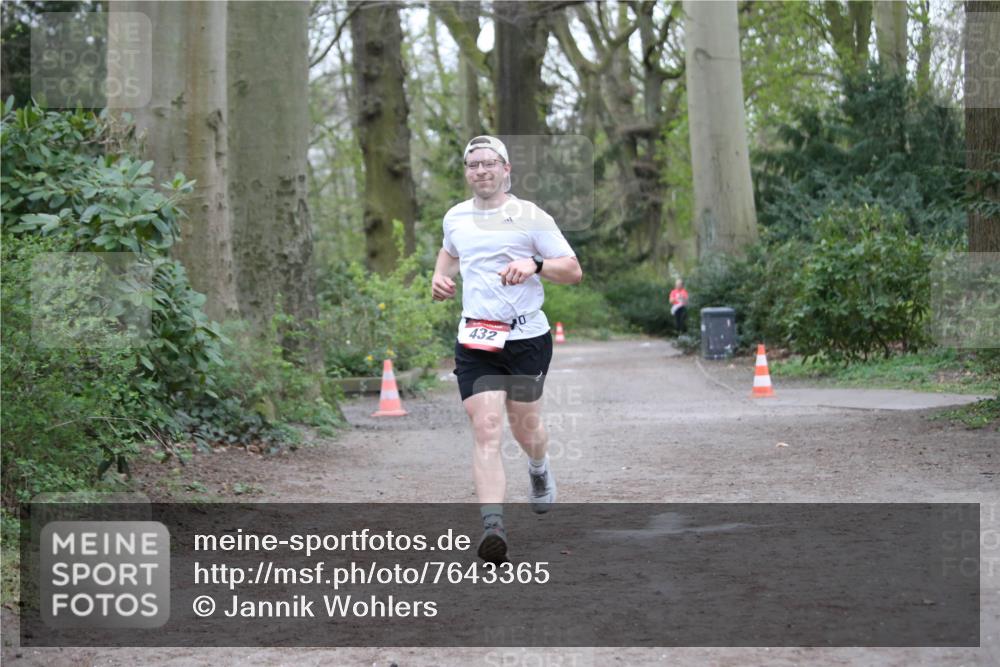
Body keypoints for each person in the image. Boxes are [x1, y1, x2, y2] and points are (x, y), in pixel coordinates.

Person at [431, 135, 583, 564]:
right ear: (467, 171)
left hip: (525, 338)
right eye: (473, 164)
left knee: (525, 429)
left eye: (489, 163)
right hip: (476, 338)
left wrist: (534, 265)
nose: (481, 171)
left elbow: (572, 271)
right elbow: (449, 254)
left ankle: (538, 467)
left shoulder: (531, 217)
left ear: (506, 169)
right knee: (486, 428)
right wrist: (439, 279)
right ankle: (493, 526)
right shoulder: (456, 217)